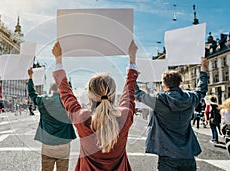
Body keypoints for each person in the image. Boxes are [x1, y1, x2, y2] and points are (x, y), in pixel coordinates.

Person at [52, 40, 138, 171]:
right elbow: (129, 93)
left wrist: (58, 60)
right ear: (114, 95)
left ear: (89, 96)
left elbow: (66, 95)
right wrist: (132, 59)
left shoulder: (83, 118)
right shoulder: (123, 115)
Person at [135, 57, 209, 171]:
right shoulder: (191, 98)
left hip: (167, 155)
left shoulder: (159, 100)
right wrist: (204, 68)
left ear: (164, 85)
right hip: (188, 155)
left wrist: (132, 75)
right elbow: (201, 90)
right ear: (180, 83)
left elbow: (137, 93)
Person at [27, 68, 77, 171]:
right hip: (64, 143)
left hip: (47, 143)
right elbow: (70, 95)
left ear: (50, 89)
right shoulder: (66, 102)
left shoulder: (43, 100)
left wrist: (30, 78)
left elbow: (32, 93)